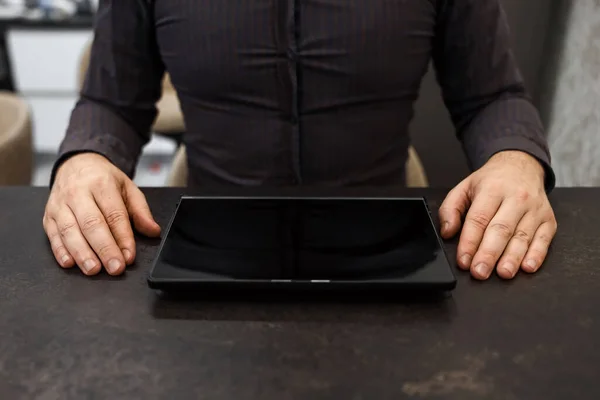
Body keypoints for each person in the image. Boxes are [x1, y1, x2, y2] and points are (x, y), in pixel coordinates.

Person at [43, 0, 557, 281]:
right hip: (208, 260)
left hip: (386, 258)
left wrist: (516, 160)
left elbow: (492, 96)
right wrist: (84, 159)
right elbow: (110, 103)